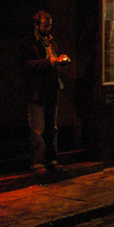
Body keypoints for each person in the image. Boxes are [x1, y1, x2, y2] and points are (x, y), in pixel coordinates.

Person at [18, 11, 69, 172]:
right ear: (36, 25)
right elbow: (26, 64)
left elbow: (52, 61)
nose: (48, 29)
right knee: (37, 127)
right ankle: (38, 161)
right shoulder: (28, 43)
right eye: (45, 25)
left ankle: (51, 159)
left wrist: (60, 60)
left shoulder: (51, 42)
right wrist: (48, 62)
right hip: (37, 90)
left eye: (50, 25)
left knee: (52, 127)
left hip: (52, 88)